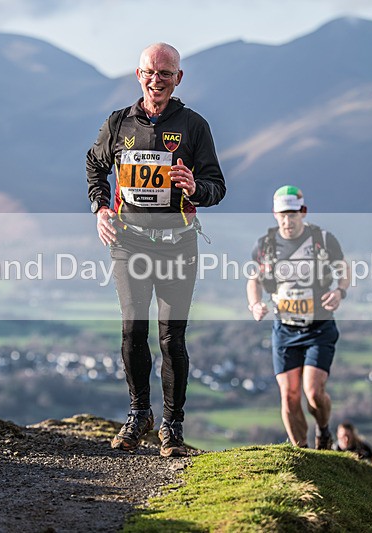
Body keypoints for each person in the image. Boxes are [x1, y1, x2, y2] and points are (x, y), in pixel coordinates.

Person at [86, 43, 225, 457]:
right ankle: (139, 413)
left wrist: (194, 186)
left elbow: (217, 186)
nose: (157, 79)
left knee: (172, 338)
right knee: (132, 330)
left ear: (178, 78)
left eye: (166, 73)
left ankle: (173, 427)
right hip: (128, 242)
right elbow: (95, 165)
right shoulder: (118, 123)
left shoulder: (194, 127)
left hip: (177, 244)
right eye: (150, 71)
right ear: (138, 74)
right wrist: (99, 207)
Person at [246, 185, 349, 449]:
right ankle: (301, 451)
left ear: (303, 212)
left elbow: (344, 268)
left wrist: (339, 290)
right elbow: (254, 279)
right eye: (282, 214)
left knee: (313, 393)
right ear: (274, 214)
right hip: (285, 328)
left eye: (292, 214)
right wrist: (255, 304)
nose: (287, 220)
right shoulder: (265, 245)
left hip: (319, 327)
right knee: (289, 395)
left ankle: (323, 430)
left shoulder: (322, 240)